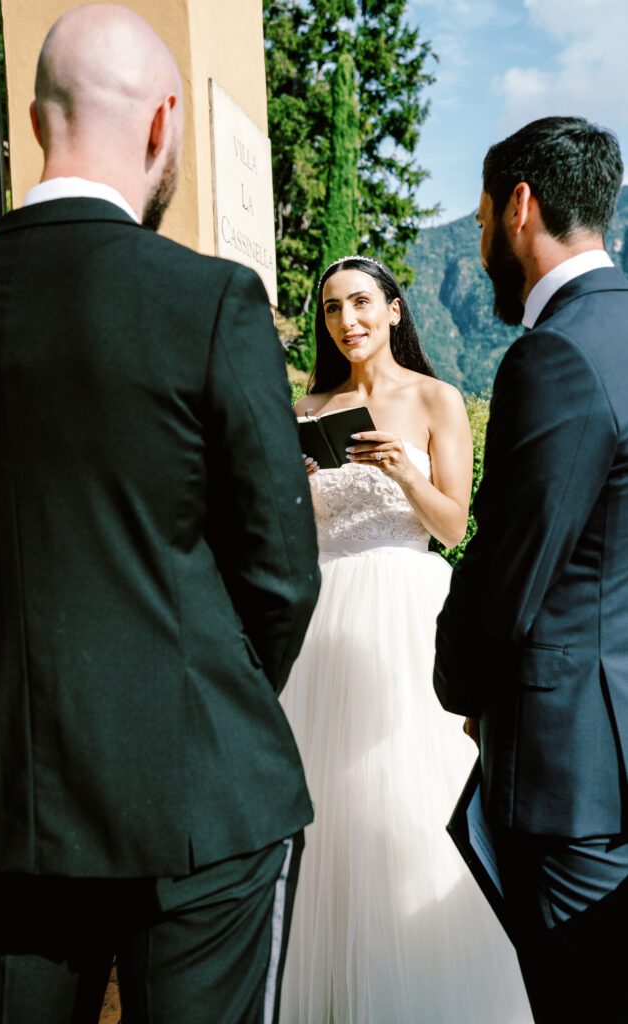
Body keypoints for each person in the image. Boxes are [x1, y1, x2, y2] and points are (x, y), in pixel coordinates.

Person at [0, 5, 320, 1022]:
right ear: (163, 124)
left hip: (22, 804)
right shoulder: (210, 300)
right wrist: (203, 699)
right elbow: (283, 569)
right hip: (203, 797)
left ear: (30, 122)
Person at [279, 255, 532, 1022]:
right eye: (330, 309)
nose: (345, 320)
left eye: (360, 303)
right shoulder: (305, 405)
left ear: (392, 310)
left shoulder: (434, 398)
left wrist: (401, 473)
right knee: (324, 806)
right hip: (320, 626)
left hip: (407, 614)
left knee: (404, 801)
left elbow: (452, 526)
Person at [434, 115, 628, 1022]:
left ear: (519, 206)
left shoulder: (554, 354)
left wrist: (457, 685)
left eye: (476, 222)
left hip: (571, 781)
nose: (477, 244)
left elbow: (509, 567)